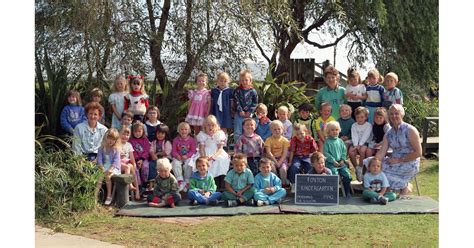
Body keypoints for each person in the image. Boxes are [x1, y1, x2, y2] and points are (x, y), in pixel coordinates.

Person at [375, 104, 421, 198]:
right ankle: (389, 192)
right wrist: (374, 161)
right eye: (391, 114)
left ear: (402, 115)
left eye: (396, 113)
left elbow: (418, 153)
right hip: (393, 160)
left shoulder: (410, 130)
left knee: (384, 173)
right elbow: (382, 152)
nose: (394, 116)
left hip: (410, 162)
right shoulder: (389, 133)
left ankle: (405, 187)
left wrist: (399, 160)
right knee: (375, 167)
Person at [189, 115, 230, 188]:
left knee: (220, 160)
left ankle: (220, 184)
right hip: (205, 152)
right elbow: (201, 148)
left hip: (217, 152)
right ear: (205, 126)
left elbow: (220, 148)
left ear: (216, 126)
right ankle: (205, 184)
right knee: (202, 162)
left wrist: (214, 156)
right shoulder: (202, 135)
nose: (210, 127)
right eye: (208, 125)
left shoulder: (219, 134)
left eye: (212, 125)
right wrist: (204, 157)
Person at [323, 121, 352, 197]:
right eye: (332, 130)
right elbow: (326, 153)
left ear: (339, 130)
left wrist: (342, 160)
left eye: (336, 129)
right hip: (331, 163)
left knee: (347, 174)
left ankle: (347, 191)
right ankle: (333, 192)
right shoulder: (327, 142)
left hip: (341, 162)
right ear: (328, 132)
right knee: (333, 174)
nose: (334, 131)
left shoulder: (340, 141)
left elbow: (344, 151)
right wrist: (333, 161)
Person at [287, 124, 318, 193]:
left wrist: (314, 160)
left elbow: (315, 150)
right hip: (297, 156)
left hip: (307, 156)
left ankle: (309, 183)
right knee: (294, 167)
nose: (300, 136)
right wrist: (290, 161)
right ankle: (294, 183)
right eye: (297, 134)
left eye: (302, 133)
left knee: (310, 166)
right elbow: (292, 151)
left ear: (306, 132)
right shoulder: (294, 139)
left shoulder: (310, 139)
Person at [96, 128, 122, 205]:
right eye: (109, 138)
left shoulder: (116, 149)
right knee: (99, 177)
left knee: (107, 176)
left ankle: (109, 195)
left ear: (116, 140)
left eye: (113, 139)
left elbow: (116, 162)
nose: (111, 141)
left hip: (114, 168)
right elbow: (99, 161)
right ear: (106, 138)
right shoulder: (101, 149)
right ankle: (95, 196)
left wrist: (110, 170)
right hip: (103, 167)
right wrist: (102, 169)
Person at [171, 122, 197, 192]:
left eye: (186, 129)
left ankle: (187, 181)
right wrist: (177, 156)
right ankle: (180, 180)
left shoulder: (191, 140)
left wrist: (187, 155)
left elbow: (193, 151)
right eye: (182, 129)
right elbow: (173, 151)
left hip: (187, 157)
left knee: (189, 163)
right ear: (178, 131)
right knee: (175, 163)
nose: (184, 131)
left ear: (189, 131)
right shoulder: (176, 140)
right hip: (178, 157)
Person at [233, 69, 258, 142]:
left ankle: (248, 144)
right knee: (238, 130)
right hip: (239, 113)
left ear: (250, 81)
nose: (244, 82)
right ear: (240, 81)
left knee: (249, 129)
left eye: (246, 80)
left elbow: (255, 102)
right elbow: (236, 101)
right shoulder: (237, 90)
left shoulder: (253, 91)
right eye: (242, 80)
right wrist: (240, 110)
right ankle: (237, 146)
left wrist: (250, 111)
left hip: (249, 114)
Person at [349, 106, 372, 181]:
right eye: (358, 117)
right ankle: (357, 168)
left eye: (362, 117)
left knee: (362, 151)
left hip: (365, 142)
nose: (360, 119)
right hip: (356, 143)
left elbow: (366, 135)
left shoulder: (368, 125)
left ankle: (361, 166)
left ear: (366, 117)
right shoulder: (354, 125)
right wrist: (356, 145)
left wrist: (360, 144)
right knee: (351, 152)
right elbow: (354, 135)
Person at [264, 120, 290, 187]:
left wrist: (280, 162)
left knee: (283, 169)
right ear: (271, 130)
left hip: (282, 158)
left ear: (282, 129)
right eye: (274, 129)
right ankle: (276, 183)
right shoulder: (268, 140)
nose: (277, 131)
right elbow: (269, 152)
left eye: (279, 129)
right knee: (272, 168)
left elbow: (285, 154)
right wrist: (276, 162)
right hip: (272, 158)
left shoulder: (285, 140)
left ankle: (283, 183)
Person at [118, 126, 140, 200]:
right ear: (119, 134)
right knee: (128, 167)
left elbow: (132, 158)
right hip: (118, 164)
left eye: (127, 135)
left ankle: (137, 191)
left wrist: (134, 165)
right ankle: (130, 184)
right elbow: (113, 157)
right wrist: (119, 155)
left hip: (127, 163)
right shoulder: (117, 144)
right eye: (123, 134)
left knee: (132, 168)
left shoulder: (129, 145)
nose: (125, 136)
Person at [128, 121, 151, 189]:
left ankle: (145, 182)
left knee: (145, 166)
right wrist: (137, 159)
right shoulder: (130, 140)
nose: (137, 133)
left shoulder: (145, 139)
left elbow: (147, 150)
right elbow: (132, 151)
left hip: (144, 159)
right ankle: (139, 185)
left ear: (142, 131)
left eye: (139, 131)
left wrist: (142, 159)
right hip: (134, 159)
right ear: (132, 132)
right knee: (135, 169)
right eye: (135, 131)